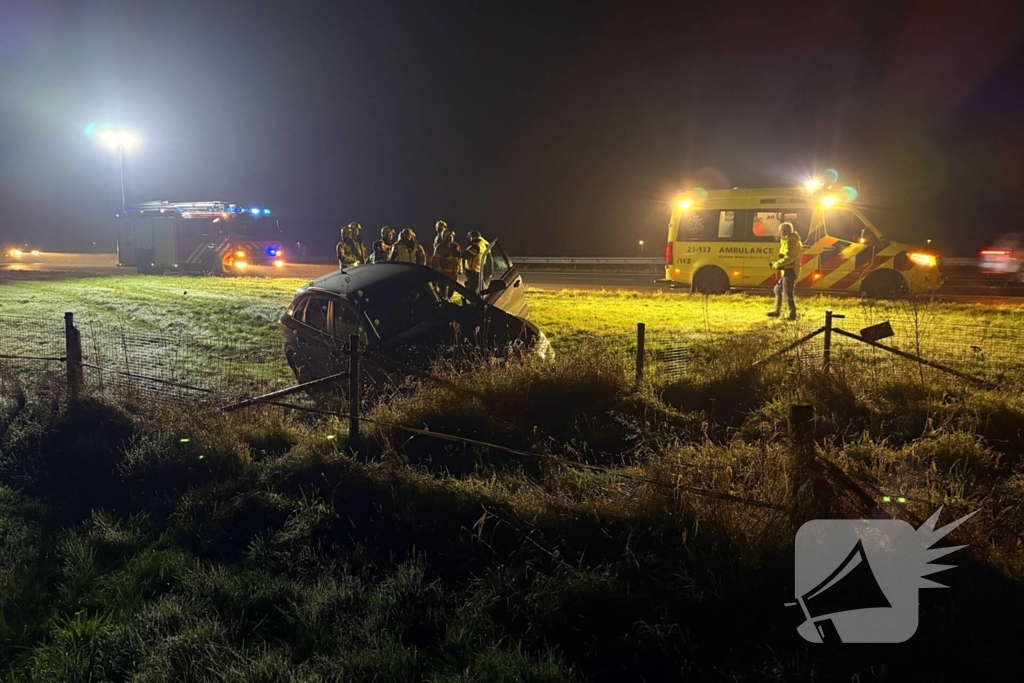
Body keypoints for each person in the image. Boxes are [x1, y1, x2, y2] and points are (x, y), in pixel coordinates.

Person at [767, 222, 802, 320]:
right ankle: (776, 311)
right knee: (777, 290)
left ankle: (792, 314)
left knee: (788, 293)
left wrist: (776, 264)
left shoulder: (790, 241)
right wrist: (778, 264)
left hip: (790, 271)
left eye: (780, 230)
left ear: (783, 231)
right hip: (787, 270)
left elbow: (789, 258)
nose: (779, 233)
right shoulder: (790, 240)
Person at [431, 228, 462, 297]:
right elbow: (435, 260)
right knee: (442, 291)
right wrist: (439, 270)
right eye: (449, 236)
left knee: (452, 290)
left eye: (452, 236)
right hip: (444, 274)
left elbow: (459, 258)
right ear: (444, 237)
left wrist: (460, 269)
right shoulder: (439, 247)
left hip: (454, 274)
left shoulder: (456, 246)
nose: (451, 238)